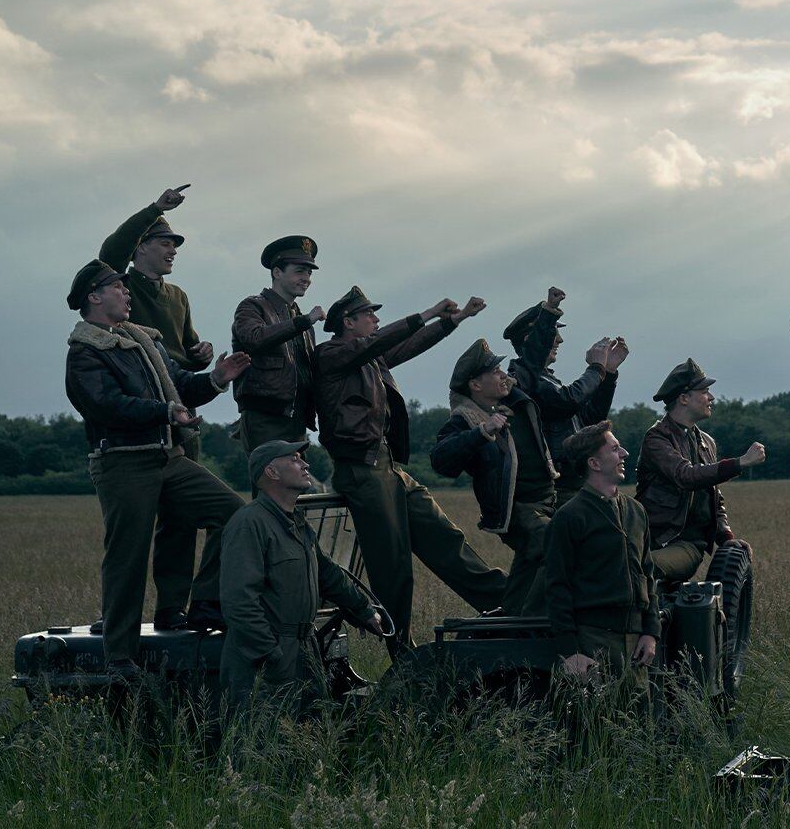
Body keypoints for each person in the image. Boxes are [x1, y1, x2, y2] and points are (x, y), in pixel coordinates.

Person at [63, 259, 251, 669]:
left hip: (169, 458)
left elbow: (181, 386)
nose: (126, 292)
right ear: (94, 297)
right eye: (118, 287)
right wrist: (164, 411)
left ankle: (205, 603)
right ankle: (119, 658)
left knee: (235, 515)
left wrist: (217, 378)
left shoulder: (143, 340)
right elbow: (106, 405)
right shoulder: (84, 352)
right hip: (123, 463)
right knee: (127, 558)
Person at [313, 286, 506, 645]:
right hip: (361, 470)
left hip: (389, 467)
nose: (376, 319)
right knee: (393, 567)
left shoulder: (371, 359)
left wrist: (455, 319)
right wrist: (428, 312)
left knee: (445, 538)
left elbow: (409, 345)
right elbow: (383, 340)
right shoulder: (331, 353)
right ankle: (401, 651)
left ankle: (508, 606)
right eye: (368, 314)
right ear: (348, 322)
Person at [99, 185, 216, 631]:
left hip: (182, 418)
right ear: (140, 247)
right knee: (130, 530)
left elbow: (185, 353)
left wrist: (202, 356)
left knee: (181, 520)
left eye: (174, 244)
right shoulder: (120, 286)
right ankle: (115, 619)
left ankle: (173, 607)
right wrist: (155, 208)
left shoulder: (178, 296)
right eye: (165, 242)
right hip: (138, 419)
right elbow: (110, 252)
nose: (172, 250)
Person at [219, 438, 387, 717]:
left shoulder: (297, 523)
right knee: (265, 735)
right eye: (294, 459)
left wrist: (364, 610)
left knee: (309, 733)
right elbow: (239, 601)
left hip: (305, 648)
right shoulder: (249, 524)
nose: (305, 464)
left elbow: (329, 574)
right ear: (272, 472)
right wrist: (269, 653)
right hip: (269, 654)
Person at [431, 338, 557, 614]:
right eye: (495, 371)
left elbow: (532, 359)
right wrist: (481, 432)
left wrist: (550, 315)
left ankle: (512, 619)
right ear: (476, 385)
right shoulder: (466, 419)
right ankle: (541, 621)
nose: (503, 375)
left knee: (529, 569)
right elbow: (441, 460)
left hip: (550, 500)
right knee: (558, 545)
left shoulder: (514, 396)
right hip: (519, 511)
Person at [546, 422, 658, 706]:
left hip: (636, 644)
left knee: (638, 723)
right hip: (593, 641)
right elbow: (557, 585)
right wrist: (570, 651)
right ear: (594, 463)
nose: (625, 453)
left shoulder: (636, 511)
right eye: (615, 449)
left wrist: (650, 632)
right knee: (598, 723)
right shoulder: (569, 517)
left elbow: (647, 575)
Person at [637, 358, 762, 583]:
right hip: (652, 539)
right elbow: (685, 475)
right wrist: (739, 463)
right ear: (684, 398)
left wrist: (726, 537)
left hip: (686, 543)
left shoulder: (706, 442)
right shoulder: (657, 439)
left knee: (643, 566)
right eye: (704, 391)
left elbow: (713, 498)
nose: (711, 397)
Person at [502, 287, 626, 504]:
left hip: (571, 483)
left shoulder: (546, 379)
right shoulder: (525, 381)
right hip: (556, 490)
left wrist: (608, 374)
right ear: (535, 338)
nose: (559, 340)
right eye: (553, 333)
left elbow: (590, 420)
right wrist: (597, 369)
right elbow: (568, 400)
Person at [231, 236, 324, 451]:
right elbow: (254, 338)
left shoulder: (300, 318)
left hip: (297, 418)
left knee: (296, 474)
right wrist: (304, 322)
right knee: (271, 473)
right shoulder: (252, 306)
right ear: (277, 272)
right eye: (299, 271)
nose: (306, 279)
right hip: (265, 417)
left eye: (309, 273)